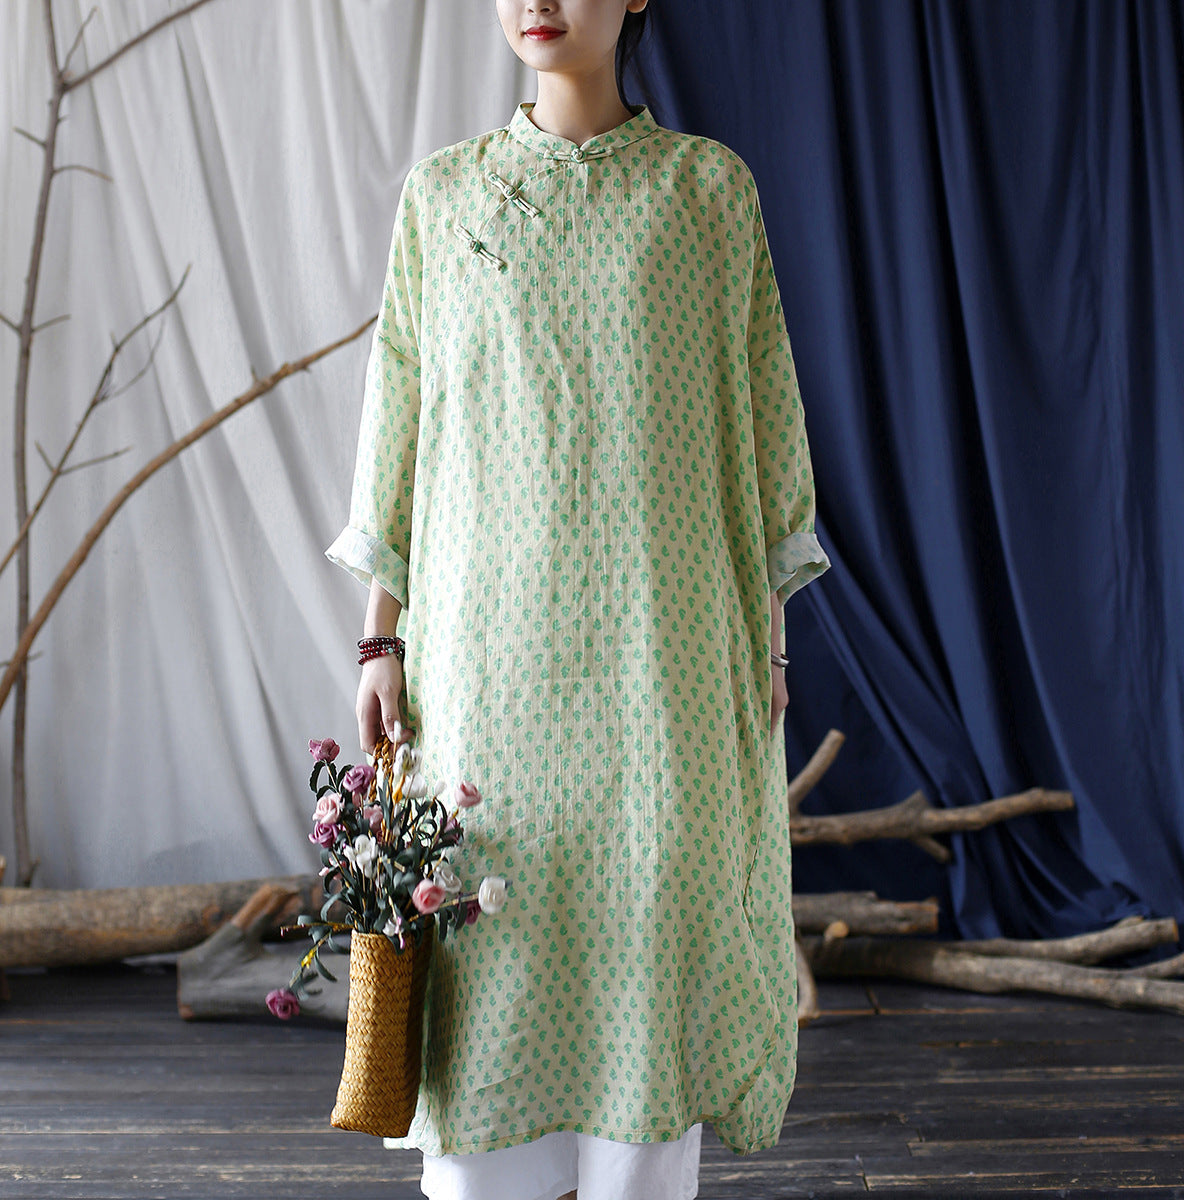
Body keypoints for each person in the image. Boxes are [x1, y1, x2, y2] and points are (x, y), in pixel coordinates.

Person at [325, 2, 831, 1197]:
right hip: (485, 669)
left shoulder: (707, 193)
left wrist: (770, 645)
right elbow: (399, 420)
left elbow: (761, 420)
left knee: (652, 968)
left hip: (665, 670)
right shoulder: (444, 196)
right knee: (490, 961)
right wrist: (379, 641)